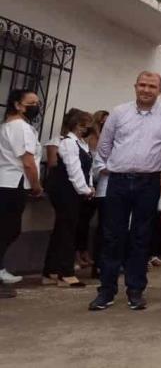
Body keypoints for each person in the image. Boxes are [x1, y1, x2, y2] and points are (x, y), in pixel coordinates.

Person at [88, 71, 161, 311]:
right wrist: (103, 170)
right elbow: (104, 145)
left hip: (148, 183)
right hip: (117, 181)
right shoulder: (119, 112)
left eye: (152, 86)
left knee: (141, 237)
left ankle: (136, 290)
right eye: (142, 85)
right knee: (111, 236)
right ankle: (106, 291)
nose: (146, 90)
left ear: (160, 90)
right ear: (135, 86)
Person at [42, 109, 95, 287]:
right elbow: (74, 169)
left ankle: (51, 271)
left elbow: (87, 169)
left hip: (75, 190)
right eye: (83, 125)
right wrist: (84, 189)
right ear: (74, 125)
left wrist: (90, 186)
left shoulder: (82, 144)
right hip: (66, 190)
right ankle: (65, 272)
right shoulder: (68, 143)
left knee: (63, 228)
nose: (86, 128)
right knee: (67, 229)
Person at [0, 89, 42, 297]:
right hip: (14, 183)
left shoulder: (9, 125)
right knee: (8, 229)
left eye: (37, 102)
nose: (36, 107)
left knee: (8, 229)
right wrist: (36, 185)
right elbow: (28, 162)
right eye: (31, 103)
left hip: (7, 182)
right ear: (17, 105)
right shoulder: (21, 127)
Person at [75, 110, 108, 271]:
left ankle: (87, 254)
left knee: (96, 222)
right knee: (81, 221)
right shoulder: (84, 141)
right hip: (86, 184)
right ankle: (78, 254)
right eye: (102, 122)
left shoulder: (106, 141)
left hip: (98, 185)